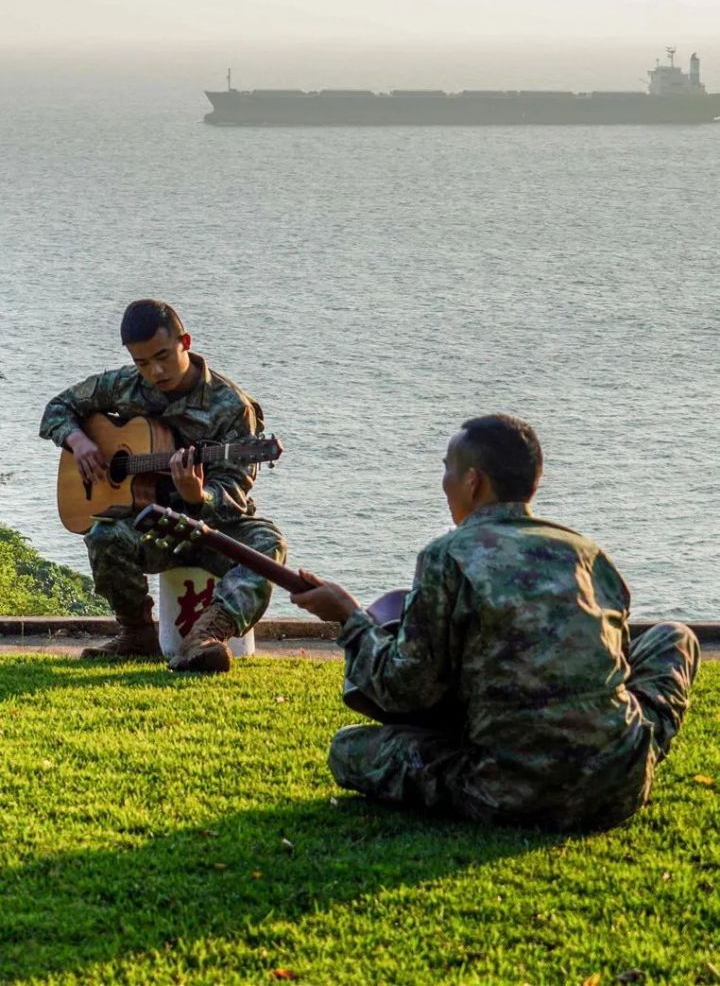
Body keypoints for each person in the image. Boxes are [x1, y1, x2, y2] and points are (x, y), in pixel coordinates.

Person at [292, 414, 699, 831]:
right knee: (675, 637)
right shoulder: (587, 553)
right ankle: (629, 749)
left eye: (447, 468)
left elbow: (405, 690)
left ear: (473, 481)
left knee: (348, 749)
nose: (443, 481)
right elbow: (616, 657)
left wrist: (349, 619)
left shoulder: (447, 555)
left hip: (509, 791)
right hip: (621, 785)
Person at [40, 299, 286, 672]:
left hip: (215, 527)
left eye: (163, 356)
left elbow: (236, 487)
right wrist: (79, 441)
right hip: (153, 525)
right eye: (142, 363)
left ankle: (208, 636)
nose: (155, 371)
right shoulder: (125, 385)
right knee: (103, 534)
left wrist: (199, 496)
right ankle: (137, 634)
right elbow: (57, 407)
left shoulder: (232, 406)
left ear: (184, 342)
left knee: (270, 545)